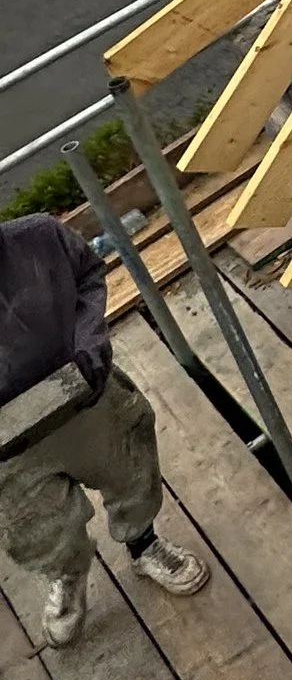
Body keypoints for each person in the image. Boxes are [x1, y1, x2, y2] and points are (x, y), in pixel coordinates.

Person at [0, 212, 206, 646]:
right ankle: (66, 575)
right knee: (36, 528)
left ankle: (143, 543)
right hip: (7, 453)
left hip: (84, 400)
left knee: (130, 472)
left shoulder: (39, 238)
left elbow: (89, 274)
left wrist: (89, 347)